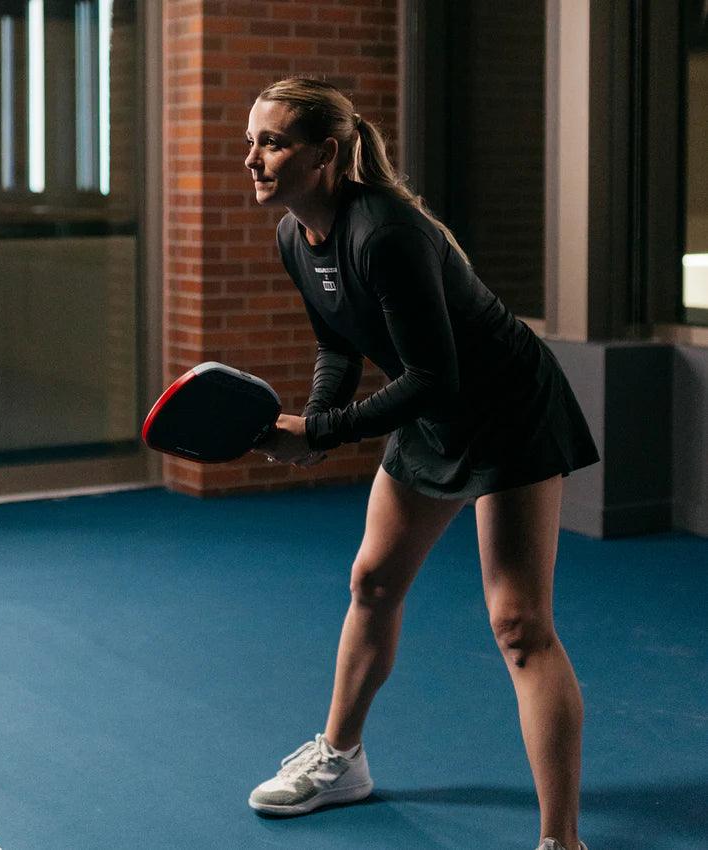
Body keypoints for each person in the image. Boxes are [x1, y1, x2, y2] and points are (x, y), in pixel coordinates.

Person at [243, 77, 598, 850]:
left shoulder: (386, 234)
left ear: (326, 154)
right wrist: (313, 419)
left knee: (519, 625)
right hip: (434, 418)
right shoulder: (295, 237)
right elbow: (339, 343)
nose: (253, 159)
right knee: (372, 581)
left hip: (507, 413)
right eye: (251, 142)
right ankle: (342, 760)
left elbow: (436, 375)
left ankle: (560, 841)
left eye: (272, 142)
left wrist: (322, 434)